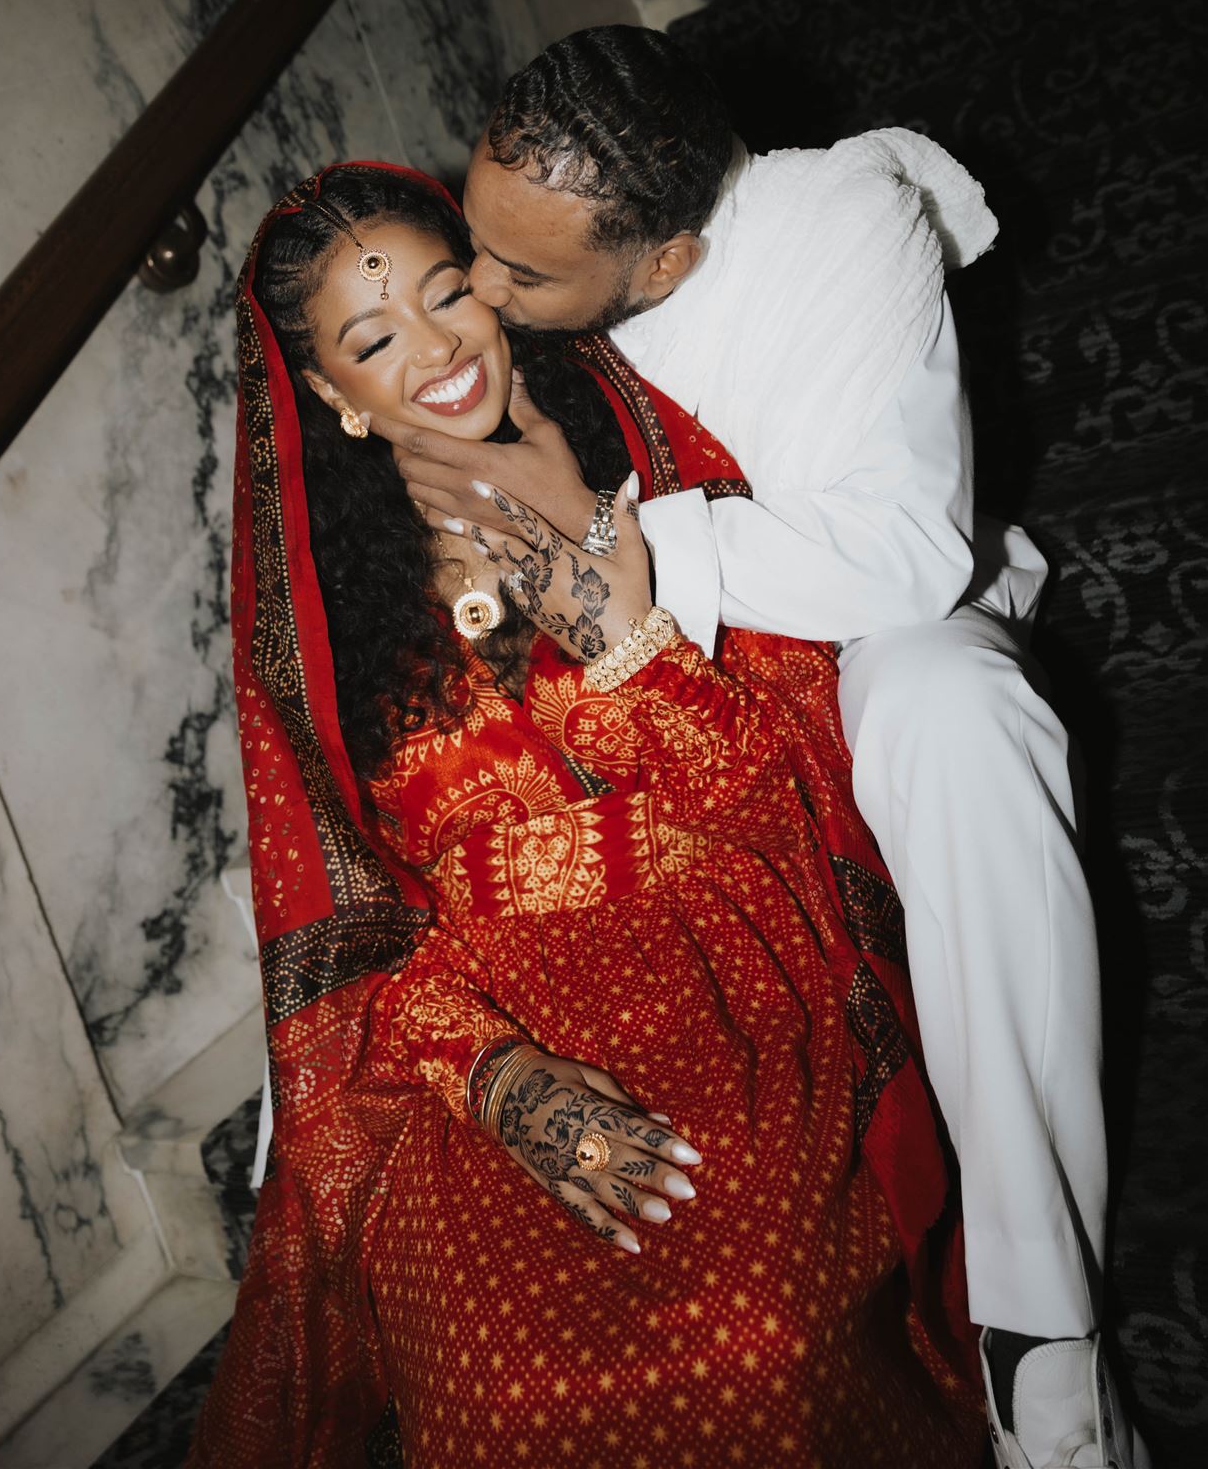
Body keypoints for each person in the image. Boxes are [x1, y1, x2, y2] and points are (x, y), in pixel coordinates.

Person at [369, 27, 1146, 1469]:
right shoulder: (490, 320)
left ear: (662, 264)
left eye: (520, 274)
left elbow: (904, 553)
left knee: (959, 714)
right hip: (659, 719)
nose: (477, 292)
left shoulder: (839, 224)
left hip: (856, 643)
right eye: (473, 239)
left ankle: (1041, 1339)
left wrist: (609, 541)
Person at [190, 161, 984, 1468]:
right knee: (489, 1397)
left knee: (754, 1331)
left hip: (730, 957)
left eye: (450, 294)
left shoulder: (656, 476)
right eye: (375, 338)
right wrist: (506, 1086)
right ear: (330, 394)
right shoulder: (330, 643)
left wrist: (626, 639)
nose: (437, 348)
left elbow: (792, 786)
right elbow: (379, 940)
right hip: (489, 1030)